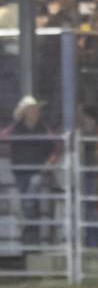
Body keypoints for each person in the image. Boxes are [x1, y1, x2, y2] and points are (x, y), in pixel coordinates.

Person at [5, 97, 60, 245]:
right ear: (25, 113)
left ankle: (29, 234)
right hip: (20, 171)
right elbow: (4, 137)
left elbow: (54, 149)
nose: (35, 112)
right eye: (32, 109)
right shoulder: (15, 129)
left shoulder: (43, 129)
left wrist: (48, 164)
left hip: (37, 171)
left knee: (29, 199)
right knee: (29, 203)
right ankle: (31, 237)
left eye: (36, 109)